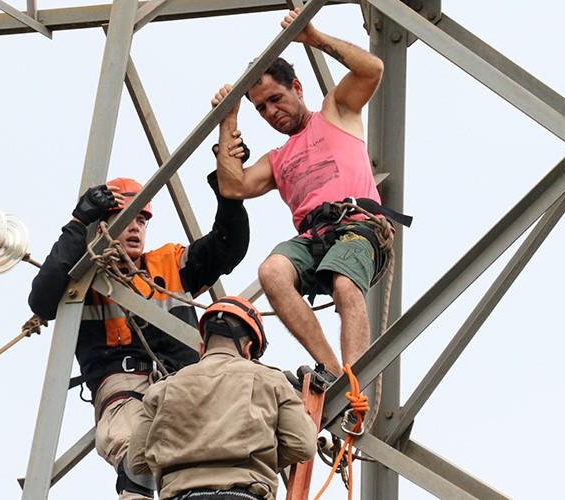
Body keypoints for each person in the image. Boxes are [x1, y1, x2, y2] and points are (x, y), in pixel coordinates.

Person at [28, 168, 250, 499]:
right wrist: (78, 223)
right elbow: (42, 299)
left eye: (142, 221)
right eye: (125, 218)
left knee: (208, 464)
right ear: (102, 227)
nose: (135, 227)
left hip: (183, 383)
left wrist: (228, 194)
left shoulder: (169, 264)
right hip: (124, 385)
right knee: (137, 455)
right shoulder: (83, 278)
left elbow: (228, 246)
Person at [212, 7, 408, 378]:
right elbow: (232, 186)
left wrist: (315, 39)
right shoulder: (276, 159)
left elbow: (372, 69)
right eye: (261, 108)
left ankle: (353, 380)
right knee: (272, 271)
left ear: (297, 88)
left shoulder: (335, 112)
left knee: (345, 284)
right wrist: (229, 120)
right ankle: (332, 370)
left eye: (276, 98)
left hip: (356, 225)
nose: (271, 112)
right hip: (314, 238)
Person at [128, 296, 316, 500]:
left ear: (202, 348)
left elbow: (137, 461)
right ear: (248, 349)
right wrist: (260, 452)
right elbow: (302, 445)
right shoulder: (270, 380)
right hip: (243, 495)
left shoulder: (162, 389)